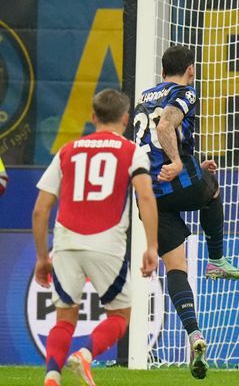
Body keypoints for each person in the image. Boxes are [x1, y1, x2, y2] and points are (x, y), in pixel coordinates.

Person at [32, 89, 158, 386]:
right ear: (126, 119)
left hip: (66, 243)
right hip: (107, 243)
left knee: (64, 319)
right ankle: (86, 354)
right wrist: (151, 246)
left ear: (93, 117)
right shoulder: (131, 151)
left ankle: (52, 376)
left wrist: (41, 257)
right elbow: (146, 197)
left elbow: (40, 211)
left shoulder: (67, 150)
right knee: (120, 315)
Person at [134, 44, 239, 379]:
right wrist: (181, 163)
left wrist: (191, 161)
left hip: (148, 197)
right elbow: (165, 128)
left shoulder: (144, 96)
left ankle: (194, 333)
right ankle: (217, 260)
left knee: (176, 267)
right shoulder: (186, 91)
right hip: (175, 180)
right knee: (211, 187)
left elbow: (151, 142)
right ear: (191, 69)